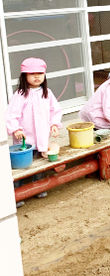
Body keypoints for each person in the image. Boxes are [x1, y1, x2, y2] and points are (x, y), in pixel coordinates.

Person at [6, 57, 63, 207]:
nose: (37, 76)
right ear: (24, 76)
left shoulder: (47, 93)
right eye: (32, 74)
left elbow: (55, 110)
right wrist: (16, 129)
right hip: (25, 138)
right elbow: (11, 115)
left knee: (39, 163)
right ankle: (17, 193)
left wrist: (54, 124)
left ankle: (39, 187)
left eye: (40, 73)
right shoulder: (19, 95)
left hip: (42, 136)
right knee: (22, 166)